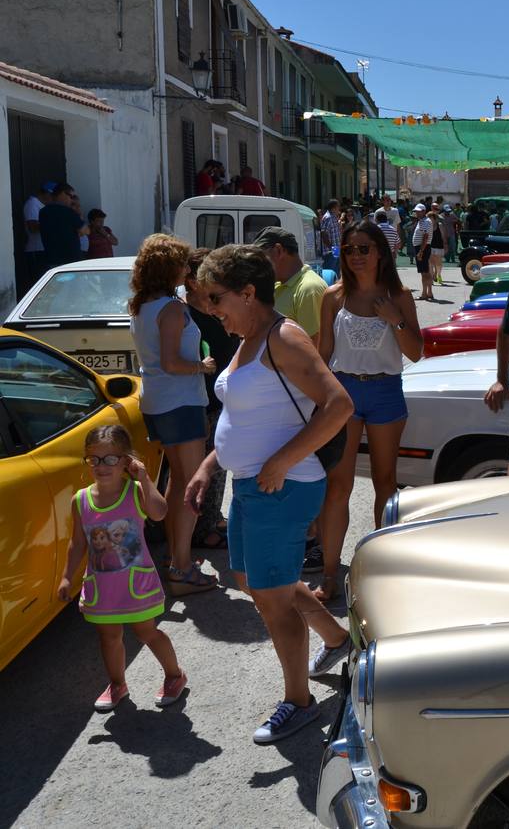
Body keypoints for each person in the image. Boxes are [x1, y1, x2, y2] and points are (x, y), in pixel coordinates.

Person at [186, 244, 354, 744]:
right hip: (251, 485)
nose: (212, 309)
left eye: (217, 298)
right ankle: (337, 637)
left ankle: (299, 702)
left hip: (284, 487)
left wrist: (281, 460)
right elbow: (246, 416)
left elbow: (338, 404)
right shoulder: (249, 337)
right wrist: (209, 464)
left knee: (272, 597)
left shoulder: (283, 338)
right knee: (253, 580)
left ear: (249, 292)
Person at [313, 221, 422, 603]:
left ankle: (382, 567)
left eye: (363, 248)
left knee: (385, 481)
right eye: (349, 249)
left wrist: (396, 319)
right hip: (343, 392)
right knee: (338, 484)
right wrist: (315, 402)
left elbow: (415, 351)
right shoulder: (333, 296)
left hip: (386, 391)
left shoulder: (399, 295)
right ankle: (329, 572)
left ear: (380, 252)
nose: (356, 256)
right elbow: (323, 354)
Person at [58, 425, 188, 712]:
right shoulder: (80, 500)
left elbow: (160, 512)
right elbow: (77, 543)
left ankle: (174, 675)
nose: (102, 466)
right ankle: (117, 684)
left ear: (126, 460)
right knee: (109, 637)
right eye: (94, 459)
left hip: (135, 585)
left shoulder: (135, 492)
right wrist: (67, 577)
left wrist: (143, 478)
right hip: (102, 587)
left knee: (147, 632)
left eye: (111, 458)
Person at [129, 234, 217, 596]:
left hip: (157, 401)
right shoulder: (170, 309)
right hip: (179, 401)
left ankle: (176, 560)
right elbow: (171, 362)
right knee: (193, 484)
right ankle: (180, 568)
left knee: (179, 481)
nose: (187, 268)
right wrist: (203, 366)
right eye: (183, 263)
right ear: (169, 269)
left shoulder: (144, 304)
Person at [184, 246, 239, 550]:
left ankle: (212, 517)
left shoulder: (216, 307)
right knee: (207, 466)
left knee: (219, 464)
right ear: (192, 281)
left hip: (223, 394)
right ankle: (202, 530)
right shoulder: (186, 314)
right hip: (202, 398)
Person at [255, 227, 327, 344]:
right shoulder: (277, 285)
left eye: (261, 258)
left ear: (278, 250)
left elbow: (315, 347)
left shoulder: (309, 289)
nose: (259, 265)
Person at [39, 183, 85, 269]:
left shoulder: (43, 212)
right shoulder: (68, 212)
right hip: (71, 261)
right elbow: (85, 230)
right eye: (70, 196)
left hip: (52, 260)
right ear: (62, 194)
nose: (71, 200)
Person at [20, 181, 54, 291]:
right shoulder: (33, 203)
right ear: (46, 194)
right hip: (36, 250)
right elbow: (32, 227)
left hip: (44, 250)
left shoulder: (43, 206)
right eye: (52, 196)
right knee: (38, 284)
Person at [410, 203, 434, 300]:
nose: (417, 213)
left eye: (419, 211)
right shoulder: (422, 221)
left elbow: (425, 237)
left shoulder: (425, 221)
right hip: (422, 248)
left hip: (422, 248)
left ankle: (424, 293)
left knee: (424, 272)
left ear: (424, 211)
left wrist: (420, 251)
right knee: (426, 271)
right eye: (416, 211)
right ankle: (429, 292)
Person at [318, 199, 341, 273]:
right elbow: (324, 233)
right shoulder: (328, 218)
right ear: (333, 208)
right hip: (330, 251)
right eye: (338, 207)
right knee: (330, 271)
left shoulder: (333, 217)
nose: (339, 209)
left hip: (336, 249)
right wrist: (331, 247)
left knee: (336, 271)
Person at [428, 204, 446, 285]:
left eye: (431, 218)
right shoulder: (427, 226)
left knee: (439, 263)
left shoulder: (440, 225)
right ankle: (431, 278)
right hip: (430, 246)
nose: (430, 220)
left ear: (435, 219)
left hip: (439, 246)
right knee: (431, 263)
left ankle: (438, 275)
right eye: (428, 218)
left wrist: (445, 244)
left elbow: (443, 236)